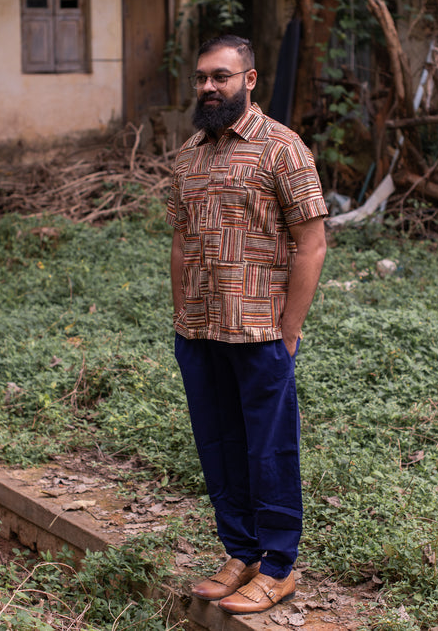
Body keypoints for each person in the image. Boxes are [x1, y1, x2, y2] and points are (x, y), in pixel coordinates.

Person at [166, 35, 327, 615]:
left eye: (222, 77)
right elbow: (181, 242)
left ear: (250, 80)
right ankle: (243, 551)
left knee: (269, 451)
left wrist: (289, 332)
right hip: (200, 331)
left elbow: (311, 244)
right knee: (218, 446)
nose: (209, 86)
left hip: (260, 333)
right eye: (202, 77)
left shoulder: (283, 148)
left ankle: (279, 566)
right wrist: (181, 316)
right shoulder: (188, 155)